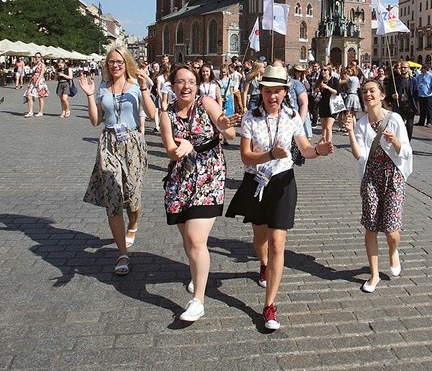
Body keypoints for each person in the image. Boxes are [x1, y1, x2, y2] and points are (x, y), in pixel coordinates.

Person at [226, 65, 333, 330]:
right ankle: (263, 265)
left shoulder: (292, 115)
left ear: (286, 92)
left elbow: (304, 149)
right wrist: (270, 155)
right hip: (257, 181)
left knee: (277, 243)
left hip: (283, 183)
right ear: (261, 91)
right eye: (268, 91)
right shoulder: (250, 117)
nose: (273, 96)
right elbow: (245, 157)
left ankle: (269, 305)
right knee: (260, 239)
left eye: (278, 91)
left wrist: (318, 150)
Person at [160, 64, 238, 322]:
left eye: (191, 81)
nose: (186, 86)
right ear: (172, 86)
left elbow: (229, 132)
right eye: (181, 81)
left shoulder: (205, 103)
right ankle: (197, 274)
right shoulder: (166, 115)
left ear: (197, 85)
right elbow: (171, 150)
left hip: (209, 175)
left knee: (195, 239)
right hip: (180, 179)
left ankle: (198, 301)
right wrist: (180, 148)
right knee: (188, 240)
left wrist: (225, 125)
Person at [79, 46, 156, 275]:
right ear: (106, 64)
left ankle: (133, 223)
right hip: (108, 143)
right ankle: (122, 253)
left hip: (132, 143)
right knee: (113, 197)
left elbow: (152, 114)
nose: (115, 65)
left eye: (119, 61)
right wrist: (90, 95)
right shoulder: (102, 87)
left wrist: (144, 88)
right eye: (111, 61)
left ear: (126, 63)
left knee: (133, 199)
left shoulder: (136, 85)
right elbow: (96, 121)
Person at [344, 78, 412, 293]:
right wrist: (349, 133)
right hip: (371, 176)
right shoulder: (362, 123)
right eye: (364, 91)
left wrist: (395, 142)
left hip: (393, 175)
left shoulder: (395, 119)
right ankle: (374, 275)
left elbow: (406, 151)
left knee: (391, 231)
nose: (367, 95)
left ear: (382, 96)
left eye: (372, 91)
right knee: (371, 226)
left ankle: (393, 250)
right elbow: (359, 155)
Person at [385, 60, 419, 141]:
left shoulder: (413, 80)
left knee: (410, 126)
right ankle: (399, 141)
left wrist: (417, 106)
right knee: (398, 124)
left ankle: (408, 141)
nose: (403, 69)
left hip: (409, 105)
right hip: (399, 105)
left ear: (408, 69)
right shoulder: (396, 80)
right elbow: (390, 91)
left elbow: (416, 94)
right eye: (401, 67)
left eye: (405, 67)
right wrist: (393, 95)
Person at [315, 64, 340, 142]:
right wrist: (316, 91)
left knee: (328, 127)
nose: (323, 72)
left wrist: (327, 87)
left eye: (325, 70)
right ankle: (323, 142)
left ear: (329, 71)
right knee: (323, 127)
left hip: (332, 106)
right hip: (323, 105)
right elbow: (314, 93)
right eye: (322, 70)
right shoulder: (319, 81)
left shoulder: (334, 79)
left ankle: (329, 143)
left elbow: (337, 92)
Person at [24, 53, 49, 117]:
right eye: (36, 57)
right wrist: (29, 82)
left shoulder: (42, 65)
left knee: (40, 97)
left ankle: (40, 112)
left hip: (39, 81)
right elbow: (32, 74)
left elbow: (41, 73)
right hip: (33, 81)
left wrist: (37, 81)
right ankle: (30, 111)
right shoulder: (34, 65)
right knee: (29, 95)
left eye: (38, 57)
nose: (37, 58)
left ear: (41, 58)